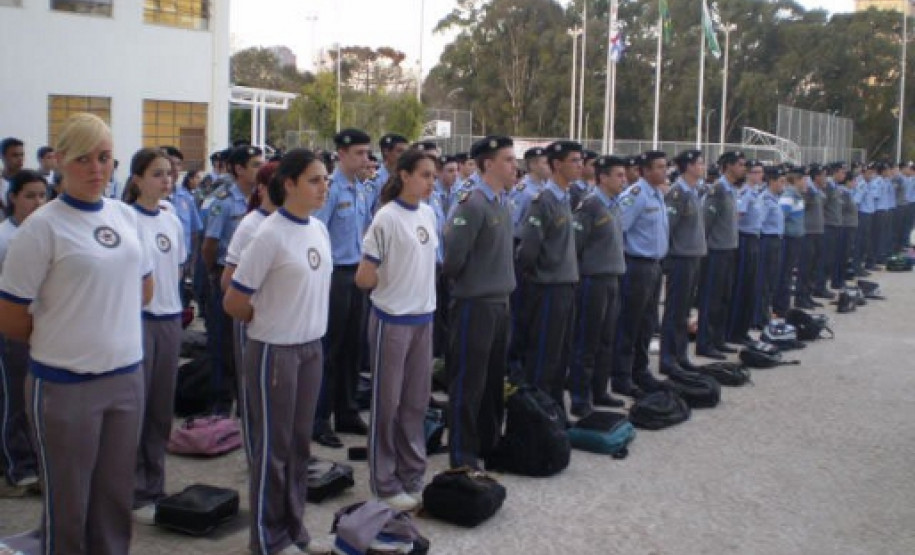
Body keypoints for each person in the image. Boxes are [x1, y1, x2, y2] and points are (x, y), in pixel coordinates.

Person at [0, 113, 153, 555]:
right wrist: (67, 335)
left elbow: (143, 287)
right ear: (60, 161)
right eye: (84, 158)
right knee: (68, 506)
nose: (96, 168)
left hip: (125, 379)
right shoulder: (43, 227)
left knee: (113, 499)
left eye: (104, 157)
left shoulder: (126, 216)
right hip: (64, 385)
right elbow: (11, 317)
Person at [224, 149, 332, 555]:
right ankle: (268, 539)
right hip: (275, 351)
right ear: (289, 184)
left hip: (310, 349)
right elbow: (234, 301)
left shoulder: (317, 230)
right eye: (314, 180)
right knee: (273, 448)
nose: (323, 187)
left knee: (299, 445)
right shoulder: (269, 233)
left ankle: (294, 528)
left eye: (325, 179)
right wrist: (269, 320)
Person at [354, 149, 438, 511]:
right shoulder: (386, 218)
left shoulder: (429, 213)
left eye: (433, 176)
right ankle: (384, 482)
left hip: (423, 319)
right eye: (424, 175)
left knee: (415, 404)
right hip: (392, 320)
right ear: (404, 175)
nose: (430, 182)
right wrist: (391, 288)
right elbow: (364, 276)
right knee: (387, 404)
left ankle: (412, 474)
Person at [442, 136, 516, 470]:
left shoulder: (501, 201)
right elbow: (453, 257)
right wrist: (466, 285)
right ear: (488, 164)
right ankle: (462, 451)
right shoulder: (472, 204)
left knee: (492, 380)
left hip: (499, 301)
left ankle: (489, 442)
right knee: (469, 381)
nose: (515, 166)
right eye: (508, 160)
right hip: (475, 303)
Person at [124, 148, 187, 524]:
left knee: (162, 409)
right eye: (157, 174)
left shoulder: (171, 218)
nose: (166, 180)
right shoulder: (126, 219)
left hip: (170, 317)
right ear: (137, 179)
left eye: (169, 173)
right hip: (138, 319)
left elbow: (177, 267)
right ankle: (132, 487)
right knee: (138, 406)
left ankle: (154, 482)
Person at [312, 129, 373, 448]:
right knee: (330, 349)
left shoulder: (361, 190)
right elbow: (318, 234)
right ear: (343, 154)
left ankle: (347, 410)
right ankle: (319, 418)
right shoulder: (332, 190)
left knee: (352, 347)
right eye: (360, 153)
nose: (366, 159)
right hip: (335, 275)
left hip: (356, 273)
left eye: (367, 153)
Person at [516, 140, 580, 410]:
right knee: (543, 354)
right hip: (548, 288)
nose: (579, 165)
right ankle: (538, 412)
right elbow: (529, 249)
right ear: (557, 165)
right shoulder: (543, 201)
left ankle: (554, 408)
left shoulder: (565, 197)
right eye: (574, 160)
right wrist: (537, 278)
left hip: (565, 285)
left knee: (560, 353)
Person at [202, 145, 263, 414]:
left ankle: (245, 398)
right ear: (238, 169)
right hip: (227, 277)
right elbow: (210, 244)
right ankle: (221, 403)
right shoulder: (224, 200)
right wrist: (215, 274)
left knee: (249, 342)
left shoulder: (260, 200)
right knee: (223, 343)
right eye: (255, 165)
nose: (259, 170)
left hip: (254, 281)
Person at [567, 155, 627, 416]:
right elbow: (576, 246)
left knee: (606, 339)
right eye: (618, 175)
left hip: (612, 278)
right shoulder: (590, 206)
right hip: (593, 280)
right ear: (602, 177)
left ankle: (600, 390)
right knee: (587, 342)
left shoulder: (614, 204)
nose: (623, 179)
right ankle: (581, 397)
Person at [0, 170, 47, 497]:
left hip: (44, 327)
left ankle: (38, 460)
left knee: (38, 400)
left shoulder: (46, 233)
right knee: (14, 398)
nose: (37, 202)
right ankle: (17, 467)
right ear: (13, 197)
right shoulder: (4, 236)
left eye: (42, 195)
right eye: (29, 195)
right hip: (12, 328)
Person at [611, 151, 670, 398]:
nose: (664, 171)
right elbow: (618, 228)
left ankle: (640, 370)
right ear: (645, 171)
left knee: (647, 323)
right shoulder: (635, 195)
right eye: (658, 167)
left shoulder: (657, 194)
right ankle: (622, 376)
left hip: (654, 265)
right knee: (630, 323)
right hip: (636, 265)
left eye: (665, 167)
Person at [660, 150, 707, 376]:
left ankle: (680, 355)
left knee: (684, 311)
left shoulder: (694, 191)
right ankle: (669, 358)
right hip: (680, 259)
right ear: (688, 166)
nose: (702, 166)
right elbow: (668, 227)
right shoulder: (678, 193)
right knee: (675, 310)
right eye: (699, 163)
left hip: (693, 257)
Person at [695, 151, 744, 360]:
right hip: (714, 252)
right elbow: (705, 223)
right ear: (729, 166)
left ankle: (718, 339)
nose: (744, 168)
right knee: (711, 299)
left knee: (724, 297)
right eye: (740, 164)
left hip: (728, 251)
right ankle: (705, 342)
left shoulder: (731, 190)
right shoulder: (717, 190)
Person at [726, 159, 763, 344]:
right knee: (742, 288)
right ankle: (735, 331)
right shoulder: (745, 193)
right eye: (755, 172)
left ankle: (743, 330)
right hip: (745, 240)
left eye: (760, 172)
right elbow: (737, 217)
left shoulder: (755, 193)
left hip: (755, 239)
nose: (759, 175)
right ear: (747, 174)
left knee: (751, 288)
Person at [773, 166, 807, 316]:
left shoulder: (797, 196)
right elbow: (781, 217)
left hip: (795, 239)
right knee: (784, 274)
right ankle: (781, 307)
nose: (806, 183)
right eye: (804, 180)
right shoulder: (788, 196)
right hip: (788, 239)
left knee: (787, 274)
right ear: (797, 180)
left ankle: (784, 305)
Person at [755, 166, 786, 326]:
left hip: (776, 241)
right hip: (768, 242)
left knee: (772, 280)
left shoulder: (775, 198)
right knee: (764, 281)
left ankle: (765, 313)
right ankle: (760, 317)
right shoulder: (766, 200)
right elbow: (758, 223)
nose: (783, 185)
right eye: (781, 181)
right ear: (772, 182)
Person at [835, 164, 858, 289]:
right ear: (848, 181)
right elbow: (842, 209)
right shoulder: (843, 192)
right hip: (845, 226)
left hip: (850, 226)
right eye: (854, 181)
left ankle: (841, 278)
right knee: (842, 255)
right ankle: (838, 280)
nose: (855, 183)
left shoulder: (849, 192)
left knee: (846, 254)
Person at [1, 138, 25, 214]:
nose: (20, 159)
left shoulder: (29, 181)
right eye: (15, 155)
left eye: (22, 155)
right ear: (2, 156)